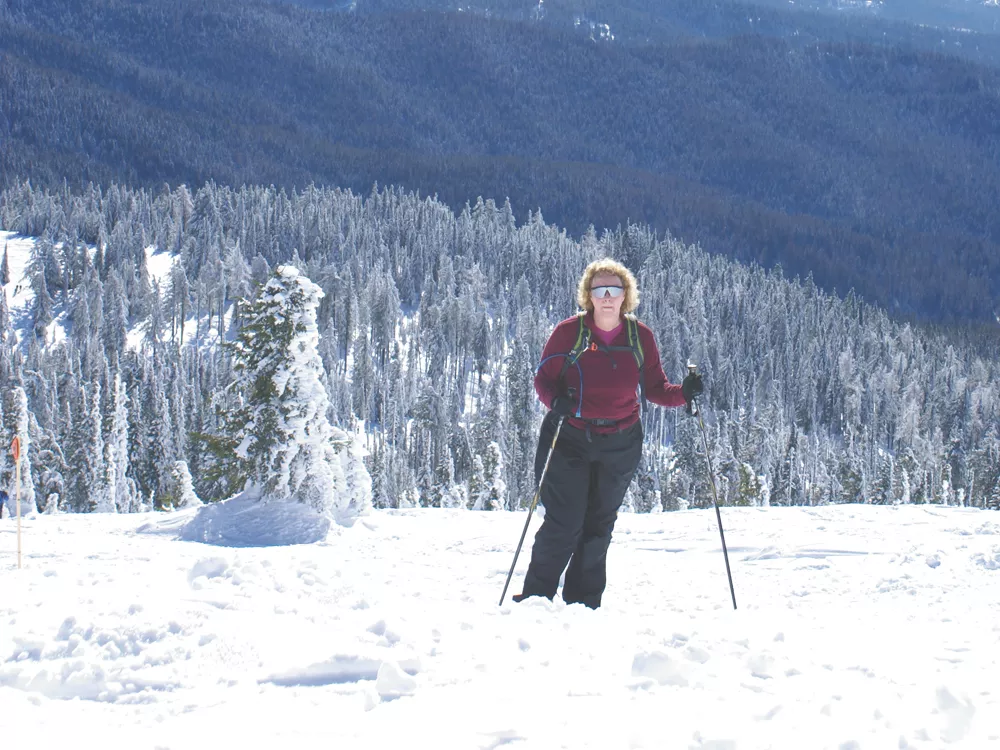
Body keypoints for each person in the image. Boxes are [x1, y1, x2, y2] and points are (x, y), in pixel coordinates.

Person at [513, 258, 703, 609]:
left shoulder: (639, 336)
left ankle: (583, 606)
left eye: (614, 290)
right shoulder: (568, 333)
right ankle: (535, 602)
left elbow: (656, 389)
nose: (606, 297)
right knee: (564, 522)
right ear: (588, 295)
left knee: (598, 526)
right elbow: (543, 379)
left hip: (620, 442)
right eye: (599, 290)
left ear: (625, 296)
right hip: (569, 437)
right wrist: (556, 401)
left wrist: (684, 393)